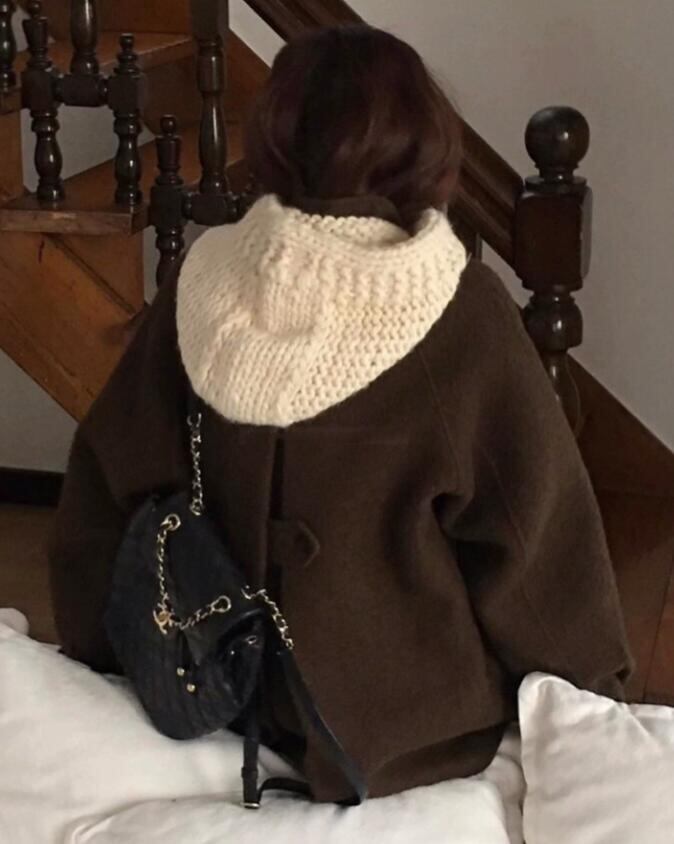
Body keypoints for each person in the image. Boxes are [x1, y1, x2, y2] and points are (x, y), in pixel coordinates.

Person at [49, 24, 632, 803]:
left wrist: (99, 659)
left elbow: (105, 482)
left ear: (273, 135)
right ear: (424, 145)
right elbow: (535, 542)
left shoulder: (203, 279)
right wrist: (596, 701)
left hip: (215, 693)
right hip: (409, 735)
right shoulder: (457, 310)